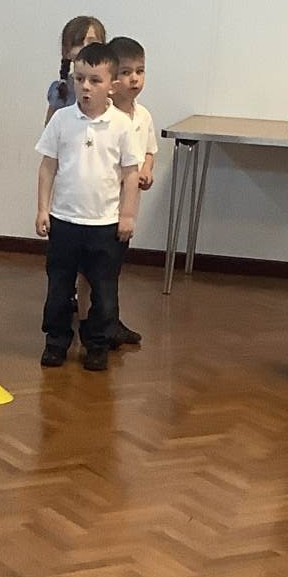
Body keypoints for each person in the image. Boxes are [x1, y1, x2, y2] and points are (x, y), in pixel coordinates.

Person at [35, 40, 140, 371]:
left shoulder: (122, 125)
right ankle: (56, 342)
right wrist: (43, 209)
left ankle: (97, 344)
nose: (85, 87)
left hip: (104, 226)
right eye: (80, 79)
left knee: (104, 292)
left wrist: (127, 215)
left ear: (111, 86)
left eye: (95, 80)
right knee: (59, 287)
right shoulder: (62, 120)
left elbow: (131, 174)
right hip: (65, 221)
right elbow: (47, 167)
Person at [106, 34, 158, 348]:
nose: (134, 79)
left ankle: (110, 320)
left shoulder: (143, 115)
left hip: (128, 207)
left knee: (114, 267)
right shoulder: (104, 116)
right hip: (103, 205)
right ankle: (96, 322)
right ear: (112, 79)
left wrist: (147, 170)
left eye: (139, 71)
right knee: (98, 270)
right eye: (126, 72)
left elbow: (149, 150)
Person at [44, 15, 106, 126]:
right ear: (66, 52)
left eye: (92, 42)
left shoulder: (112, 86)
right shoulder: (60, 91)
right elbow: (49, 129)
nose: (85, 48)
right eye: (78, 44)